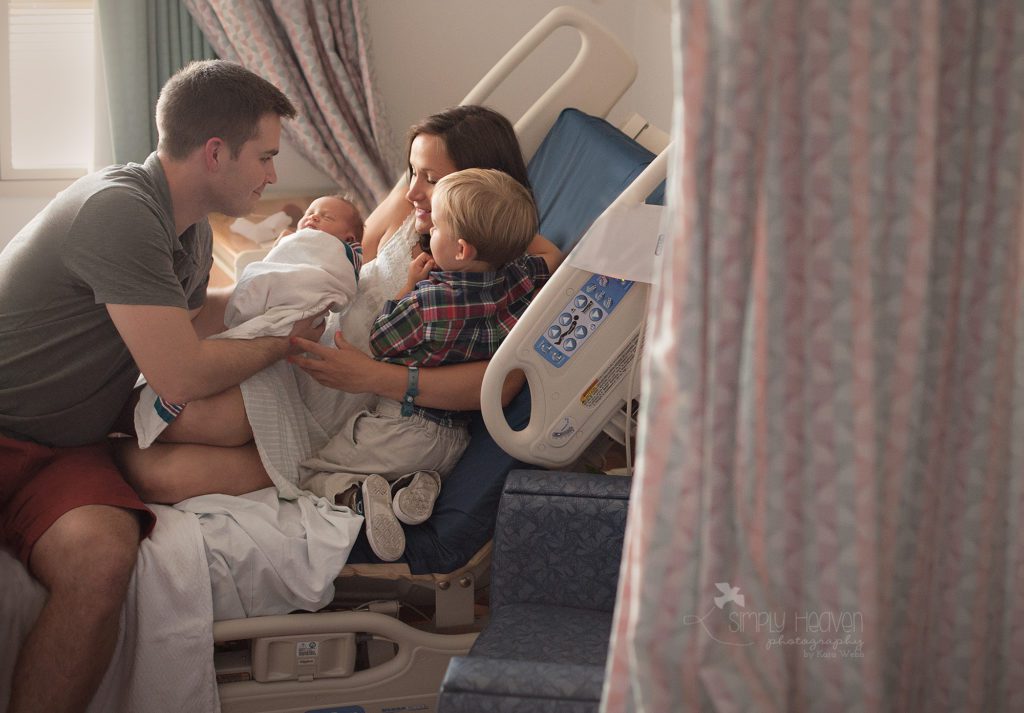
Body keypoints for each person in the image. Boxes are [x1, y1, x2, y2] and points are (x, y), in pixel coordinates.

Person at [0, 59, 325, 713]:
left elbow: (189, 313)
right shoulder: (118, 212)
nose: (272, 175)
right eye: (264, 157)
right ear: (215, 153)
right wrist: (285, 345)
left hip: (64, 446)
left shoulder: (189, 228)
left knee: (101, 562)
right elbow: (179, 371)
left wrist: (285, 305)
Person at [116, 105, 562, 530]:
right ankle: (80, 431)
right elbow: (356, 241)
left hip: (347, 397)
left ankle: (83, 445)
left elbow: (501, 382)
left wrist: (371, 376)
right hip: (310, 352)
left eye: (431, 178)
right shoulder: (414, 211)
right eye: (413, 172)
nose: (412, 192)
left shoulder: (484, 263)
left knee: (160, 473)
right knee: (170, 404)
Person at [300, 168, 550, 561]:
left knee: (311, 471)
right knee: (402, 465)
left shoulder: (426, 303)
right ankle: (416, 486)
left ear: (462, 250)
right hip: (453, 441)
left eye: (437, 228)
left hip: (402, 428)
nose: (429, 230)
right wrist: (506, 233)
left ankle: (357, 495)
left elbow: (380, 339)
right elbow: (548, 257)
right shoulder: (517, 279)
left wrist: (408, 287)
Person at [133, 194, 365, 448]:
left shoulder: (341, 253)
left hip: (292, 308)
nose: (313, 217)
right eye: (311, 211)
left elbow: (341, 284)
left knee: (228, 352)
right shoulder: (294, 239)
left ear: (349, 240)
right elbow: (275, 266)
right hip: (260, 303)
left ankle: (148, 412)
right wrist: (281, 250)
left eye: (327, 217)